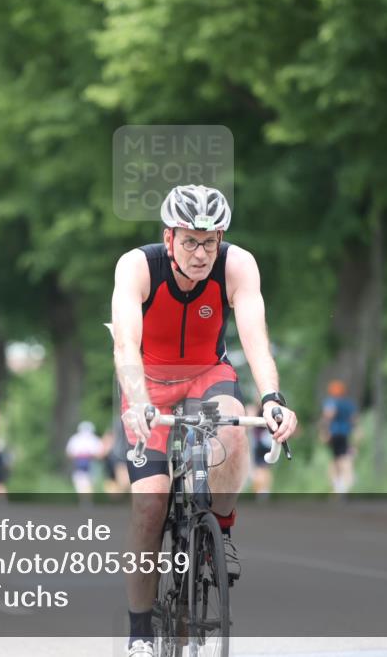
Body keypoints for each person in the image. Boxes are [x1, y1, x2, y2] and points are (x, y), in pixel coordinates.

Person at [111, 184, 298, 656]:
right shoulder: (137, 267)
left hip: (206, 375)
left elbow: (255, 337)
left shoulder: (238, 266)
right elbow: (125, 345)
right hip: (149, 382)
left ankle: (223, 530)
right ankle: (139, 636)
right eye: (190, 241)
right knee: (149, 506)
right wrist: (136, 399)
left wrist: (273, 398)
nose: (200, 253)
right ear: (169, 237)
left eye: (209, 241)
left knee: (235, 426)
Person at [320, 379, 358, 494]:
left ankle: (341, 484)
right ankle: (341, 484)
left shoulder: (331, 402)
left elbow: (328, 415)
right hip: (345, 433)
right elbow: (354, 419)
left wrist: (324, 430)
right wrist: (355, 431)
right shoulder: (349, 404)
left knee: (339, 457)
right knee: (341, 456)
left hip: (334, 433)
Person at [66, 420, 104, 496]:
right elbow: (69, 453)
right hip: (79, 465)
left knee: (89, 483)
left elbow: (100, 454)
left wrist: (90, 456)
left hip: (91, 464)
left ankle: (87, 501)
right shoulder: (75, 439)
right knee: (81, 484)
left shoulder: (93, 439)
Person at [247, 402, 274, 499]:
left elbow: (249, 425)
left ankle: (261, 491)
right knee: (264, 468)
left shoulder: (254, 408)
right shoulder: (272, 408)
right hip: (268, 441)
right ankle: (263, 491)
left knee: (259, 468)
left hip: (260, 442)